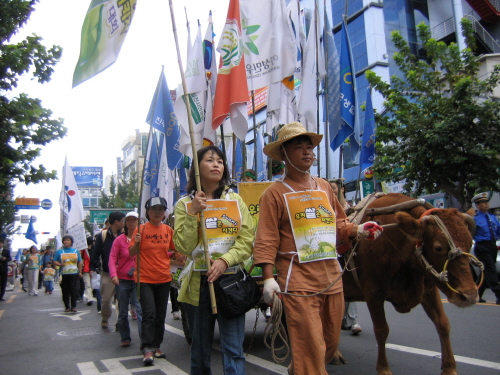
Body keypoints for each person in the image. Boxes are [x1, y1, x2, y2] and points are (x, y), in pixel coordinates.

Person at [253, 122, 383, 375]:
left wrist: (359, 229)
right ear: (283, 155)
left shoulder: (324, 187)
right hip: (298, 280)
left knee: (329, 346)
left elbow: (339, 222)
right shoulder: (274, 194)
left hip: (332, 277)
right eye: (299, 147)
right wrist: (268, 279)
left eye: (309, 147)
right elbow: (266, 238)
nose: (307, 152)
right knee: (310, 347)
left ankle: (300, 369)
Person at [174, 145, 255, 375]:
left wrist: (225, 261)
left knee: (233, 350)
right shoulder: (183, 204)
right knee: (199, 353)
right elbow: (183, 246)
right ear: (196, 169)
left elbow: (247, 238)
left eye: (220, 160)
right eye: (209, 160)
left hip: (231, 283)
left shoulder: (235, 200)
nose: (216, 164)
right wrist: (192, 213)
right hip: (198, 285)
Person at [130, 197, 175, 365]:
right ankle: (147, 348)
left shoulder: (168, 230)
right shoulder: (140, 229)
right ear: (147, 211)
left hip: (164, 278)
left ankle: (157, 345)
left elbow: (177, 249)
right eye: (154, 209)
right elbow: (131, 254)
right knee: (149, 313)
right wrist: (136, 243)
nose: (158, 212)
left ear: (164, 212)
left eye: (161, 209)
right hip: (144, 279)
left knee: (160, 315)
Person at [329, 179, 362, 335]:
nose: (332, 191)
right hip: (331, 251)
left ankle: (353, 321)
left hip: (348, 249)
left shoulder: (351, 208)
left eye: (334, 188)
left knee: (349, 281)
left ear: (341, 189)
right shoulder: (327, 206)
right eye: (330, 188)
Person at [109, 211, 142, 348]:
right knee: (122, 311)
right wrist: (113, 274)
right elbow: (112, 258)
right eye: (129, 220)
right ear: (125, 223)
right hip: (122, 280)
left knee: (140, 311)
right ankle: (125, 337)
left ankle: (144, 340)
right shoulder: (119, 240)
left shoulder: (142, 238)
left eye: (134, 220)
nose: (131, 222)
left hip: (138, 280)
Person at [91, 211, 125, 328]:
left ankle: (119, 322)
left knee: (121, 299)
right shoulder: (103, 235)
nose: (124, 223)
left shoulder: (124, 235)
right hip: (107, 272)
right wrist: (92, 267)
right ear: (116, 222)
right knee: (106, 299)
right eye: (123, 220)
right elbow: (96, 253)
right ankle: (105, 317)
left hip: (122, 272)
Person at [472, 193, 500, 305]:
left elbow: (498, 232)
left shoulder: (492, 217)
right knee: (491, 270)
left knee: (485, 271)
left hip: (492, 245)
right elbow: (470, 234)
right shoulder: (474, 219)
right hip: (482, 246)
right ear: (477, 205)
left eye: (487, 202)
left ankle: (476, 294)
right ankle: (498, 294)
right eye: (483, 203)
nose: (486, 204)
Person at [54, 235, 83, 312]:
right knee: (65, 290)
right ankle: (67, 306)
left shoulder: (76, 251)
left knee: (74, 290)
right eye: (65, 240)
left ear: (71, 242)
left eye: (68, 240)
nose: (66, 241)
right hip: (64, 274)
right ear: (63, 242)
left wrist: (80, 271)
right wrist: (60, 264)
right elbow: (55, 261)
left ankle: (73, 306)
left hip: (74, 273)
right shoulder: (60, 251)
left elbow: (80, 262)